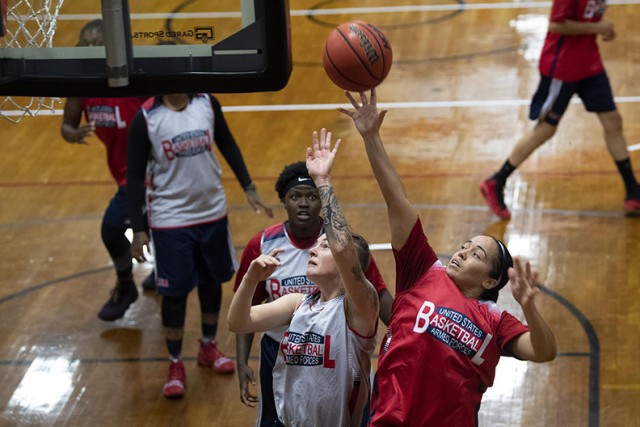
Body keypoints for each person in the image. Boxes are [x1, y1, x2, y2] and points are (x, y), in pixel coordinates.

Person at [339, 89, 557, 425]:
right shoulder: (422, 269)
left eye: (476, 255)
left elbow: (543, 352)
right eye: (465, 246)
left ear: (489, 280)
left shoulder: (496, 322)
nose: (462, 253)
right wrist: (371, 138)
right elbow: (397, 200)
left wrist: (529, 306)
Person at [228, 129, 380, 426]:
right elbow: (237, 322)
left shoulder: (358, 309)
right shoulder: (298, 303)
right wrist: (250, 279)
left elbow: (343, 247)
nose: (314, 246)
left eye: (325, 246)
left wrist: (323, 181)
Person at [126, 93, 273, 399]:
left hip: (212, 212)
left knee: (210, 283)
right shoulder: (146, 117)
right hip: (169, 217)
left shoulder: (207, 103)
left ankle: (208, 345)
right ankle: (175, 362)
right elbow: (135, 175)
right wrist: (139, 230)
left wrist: (248, 187)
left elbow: (227, 142)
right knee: (175, 292)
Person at [480, 0, 640, 219]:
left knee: (613, 121)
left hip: (589, 63)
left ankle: (633, 191)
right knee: (546, 129)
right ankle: (496, 181)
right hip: (562, 68)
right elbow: (557, 25)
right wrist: (598, 27)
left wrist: (601, 28)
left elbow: (589, 13)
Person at [60, 19, 154, 323]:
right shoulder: (81, 85)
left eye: (95, 42)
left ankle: (125, 286)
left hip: (150, 173)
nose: (88, 47)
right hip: (123, 171)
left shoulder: (132, 82)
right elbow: (67, 124)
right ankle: (160, 272)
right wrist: (70, 133)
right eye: (83, 42)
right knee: (152, 222)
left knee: (112, 229)